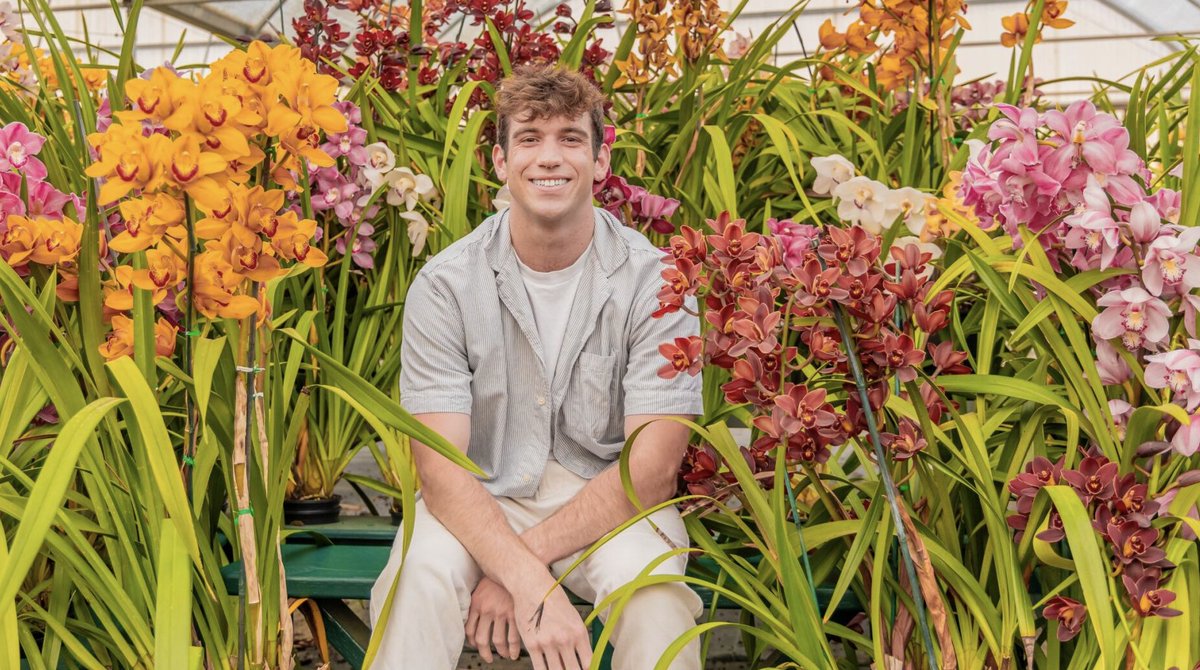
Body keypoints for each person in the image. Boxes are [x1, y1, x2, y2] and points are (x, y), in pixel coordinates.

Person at [369, 64, 703, 670]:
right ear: (499, 160)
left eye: (570, 138)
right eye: (528, 138)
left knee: (653, 595)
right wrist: (525, 573)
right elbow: (441, 471)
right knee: (415, 579)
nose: (549, 158)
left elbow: (650, 471)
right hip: (481, 490)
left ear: (601, 161)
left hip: (609, 498)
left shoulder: (659, 283)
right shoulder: (445, 286)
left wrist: (519, 573)